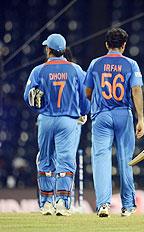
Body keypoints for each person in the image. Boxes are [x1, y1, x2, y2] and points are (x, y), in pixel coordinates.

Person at [24, 34, 89, 216]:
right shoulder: (76, 70)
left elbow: (27, 97)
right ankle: (61, 202)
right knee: (65, 160)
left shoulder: (39, 70)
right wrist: (84, 111)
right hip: (68, 120)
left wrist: (34, 101)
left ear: (49, 49)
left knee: (45, 160)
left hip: (45, 119)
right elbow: (85, 96)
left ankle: (45, 203)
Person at [84, 28, 144, 217]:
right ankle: (128, 206)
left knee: (101, 159)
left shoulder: (95, 64)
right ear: (124, 45)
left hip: (101, 115)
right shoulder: (131, 64)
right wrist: (141, 118)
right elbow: (136, 91)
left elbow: (87, 92)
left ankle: (103, 204)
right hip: (123, 114)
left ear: (106, 44)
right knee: (126, 160)